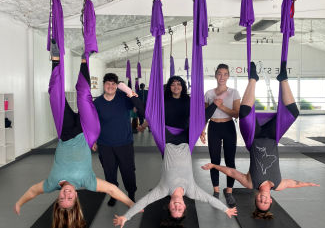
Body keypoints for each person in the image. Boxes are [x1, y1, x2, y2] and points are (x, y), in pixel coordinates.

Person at [14, 40, 134, 227]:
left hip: (66, 132)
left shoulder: (51, 183)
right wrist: (131, 204)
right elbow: (111, 189)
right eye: (70, 198)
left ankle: (55, 59)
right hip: (88, 133)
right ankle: (85, 59)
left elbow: (32, 191)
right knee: (83, 94)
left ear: (58, 197)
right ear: (76, 196)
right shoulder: (88, 182)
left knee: (55, 94)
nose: (66, 194)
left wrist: (20, 202)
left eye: (62, 198)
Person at [113, 76, 237, 228]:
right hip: (185, 141)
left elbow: (144, 201)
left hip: (168, 142)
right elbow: (210, 200)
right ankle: (217, 103)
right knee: (199, 122)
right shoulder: (192, 191)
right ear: (185, 206)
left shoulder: (163, 190)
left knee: (150, 117)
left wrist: (126, 217)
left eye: (174, 209)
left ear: (169, 206)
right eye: (180, 209)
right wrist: (226, 209)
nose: (177, 206)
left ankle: (130, 94)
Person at [202, 62, 319, 220]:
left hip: (253, 136)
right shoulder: (279, 185)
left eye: (259, 201)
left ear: (256, 198)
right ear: (270, 200)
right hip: (272, 136)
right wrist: (308, 184)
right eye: (265, 202)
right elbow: (294, 183)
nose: (262, 199)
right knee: (293, 112)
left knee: (244, 113)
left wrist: (213, 165)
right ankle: (283, 79)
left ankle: (253, 79)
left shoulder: (250, 184)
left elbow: (232, 171)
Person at [93, 73, 138, 206]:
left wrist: (129, 91)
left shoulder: (123, 98)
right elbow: (93, 123)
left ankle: (131, 194)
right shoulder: (97, 103)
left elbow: (137, 105)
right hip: (105, 145)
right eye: (108, 83)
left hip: (124, 143)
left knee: (128, 172)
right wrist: (93, 140)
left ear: (117, 86)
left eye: (113, 84)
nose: (110, 86)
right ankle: (113, 194)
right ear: (103, 85)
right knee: (109, 173)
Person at [201, 64, 240, 207]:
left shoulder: (234, 92)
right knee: (214, 161)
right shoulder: (209, 93)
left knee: (230, 161)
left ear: (228, 76)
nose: (222, 77)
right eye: (219, 74)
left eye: (225, 74)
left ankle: (229, 191)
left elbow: (237, 113)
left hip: (228, 126)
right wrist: (202, 130)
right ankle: (216, 191)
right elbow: (205, 115)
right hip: (214, 128)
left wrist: (220, 105)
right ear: (215, 75)